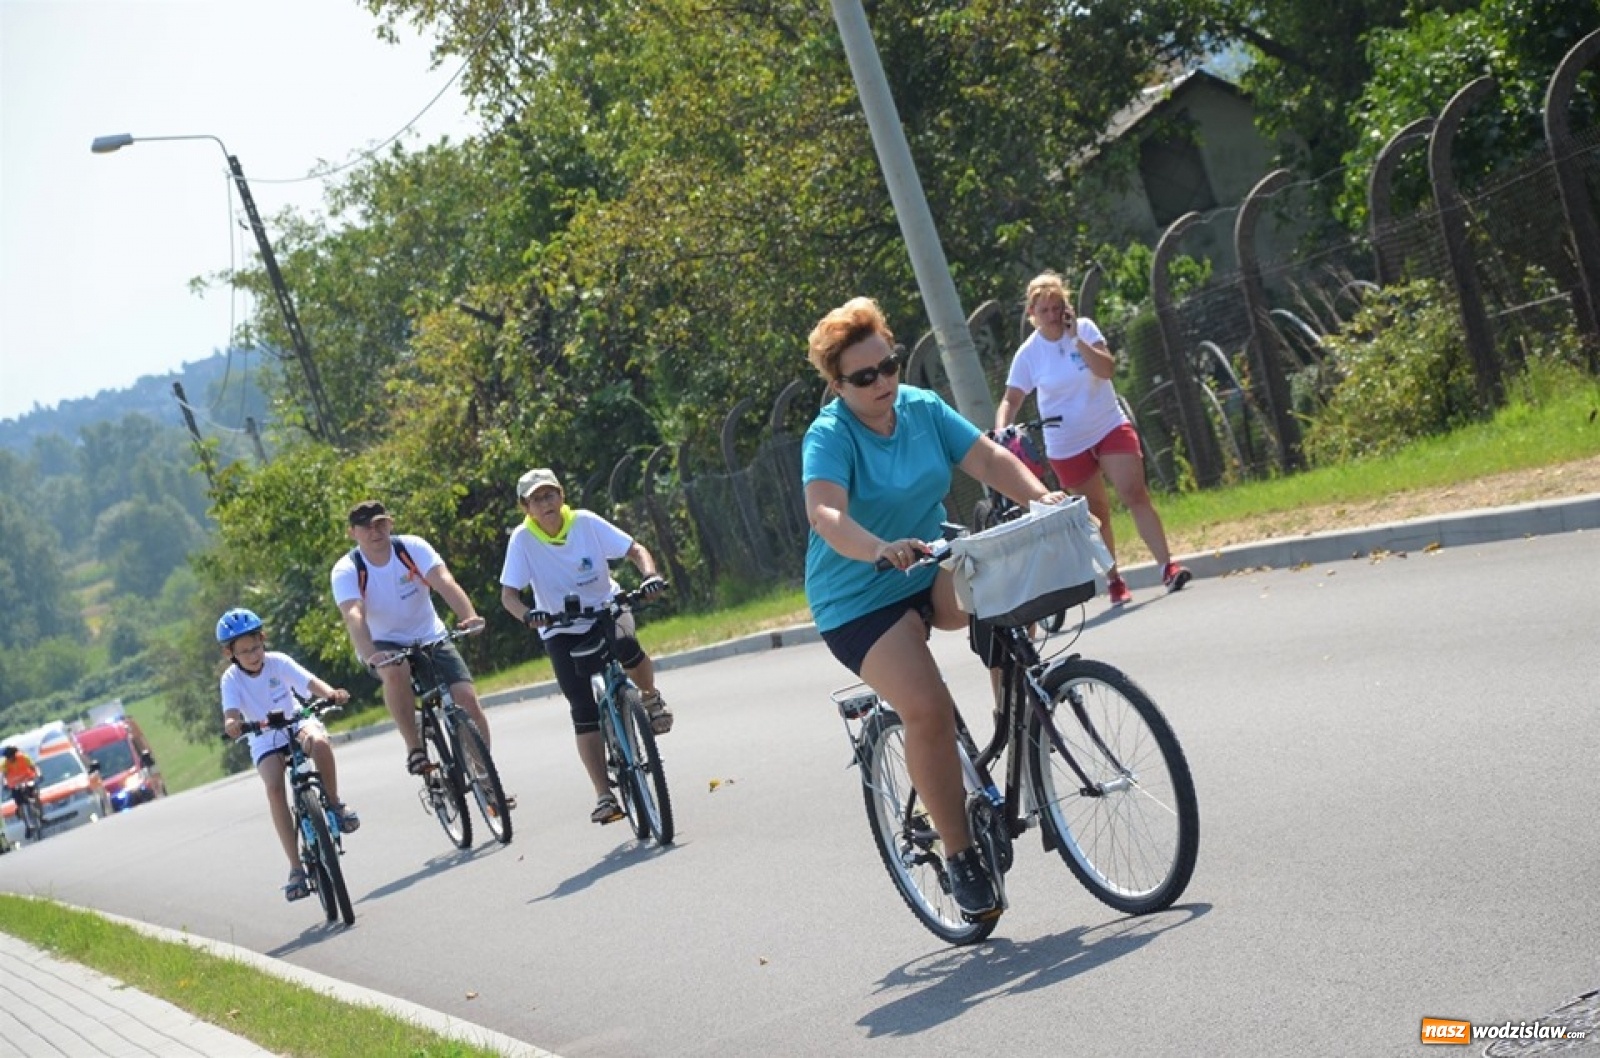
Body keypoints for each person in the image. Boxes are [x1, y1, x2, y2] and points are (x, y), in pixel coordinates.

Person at [801, 296, 1069, 921]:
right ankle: (959, 855)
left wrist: (1040, 498)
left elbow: (986, 458)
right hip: (858, 598)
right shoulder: (830, 434)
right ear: (837, 384)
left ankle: (1014, 716)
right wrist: (877, 548)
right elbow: (826, 514)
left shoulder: (920, 408)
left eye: (889, 366)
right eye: (864, 377)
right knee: (926, 709)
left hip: (924, 567)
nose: (883, 383)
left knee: (1003, 592)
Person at [995, 270, 1192, 605]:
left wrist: (1076, 340)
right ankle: (1114, 579)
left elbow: (1106, 370)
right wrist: (1003, 430)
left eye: (1058, 307)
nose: (1053, 315)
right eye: (1044, 310)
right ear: (1031, 315)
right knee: (1097, 512)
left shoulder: (1084, 330)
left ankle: (1167, 566)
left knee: (1134, 492)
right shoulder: (1029, 354)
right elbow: (1011, 399)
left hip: (1107, 425)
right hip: (1067, 442)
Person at [498, 468, 672, 825]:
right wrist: (529, 616)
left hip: (605, 609)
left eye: (550, 495)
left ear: (561, 496)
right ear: (526, 507)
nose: (546, 504)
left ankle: (650, 697)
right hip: (559, 628)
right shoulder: (522, 540)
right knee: (581, 705)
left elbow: (635, 550)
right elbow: (509, 596)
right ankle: (604, 795)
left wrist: (650, 576)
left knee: (626, 645)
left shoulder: (586, 523)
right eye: (537, 499)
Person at [331, 500, 492, 778]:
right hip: (383, 643)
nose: (375, 531)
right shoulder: (347, 568)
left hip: (428, 633)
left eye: (380, 523)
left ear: (390, 523)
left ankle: (487, 779)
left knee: (466, 698)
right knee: (395, 672)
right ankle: (414, 747)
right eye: (366, 527)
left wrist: (469, 616)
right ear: (352, 533)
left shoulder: (411, 548)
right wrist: (370, 653)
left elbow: (444, 581)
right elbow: (354, 614)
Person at [216, 607, 358, 902]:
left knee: (319, 743)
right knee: (274, 788)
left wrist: (331, 693)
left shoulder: (277, 662)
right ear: (230, 654)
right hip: (263, 736)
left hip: (296, 722)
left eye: (256, 646)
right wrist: (232, 724)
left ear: (263, 639)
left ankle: (334, 805)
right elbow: (231, 713)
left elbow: (309, 682)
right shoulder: (231, 680)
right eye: (245, 652)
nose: (254, 655)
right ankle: (296, 868)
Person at [1, 745, 43, 839]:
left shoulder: (23, 757)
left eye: (11, 756)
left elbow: (34, 767)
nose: (10, 758)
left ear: (14, 754)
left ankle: (40, 815)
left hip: (28, 780)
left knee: (35, 794)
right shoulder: (5, 763)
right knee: (20, 805)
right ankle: (28, 825)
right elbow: (3, 776)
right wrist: (4, 784)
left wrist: (39, 775)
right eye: (8, 757)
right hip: (15, 785)